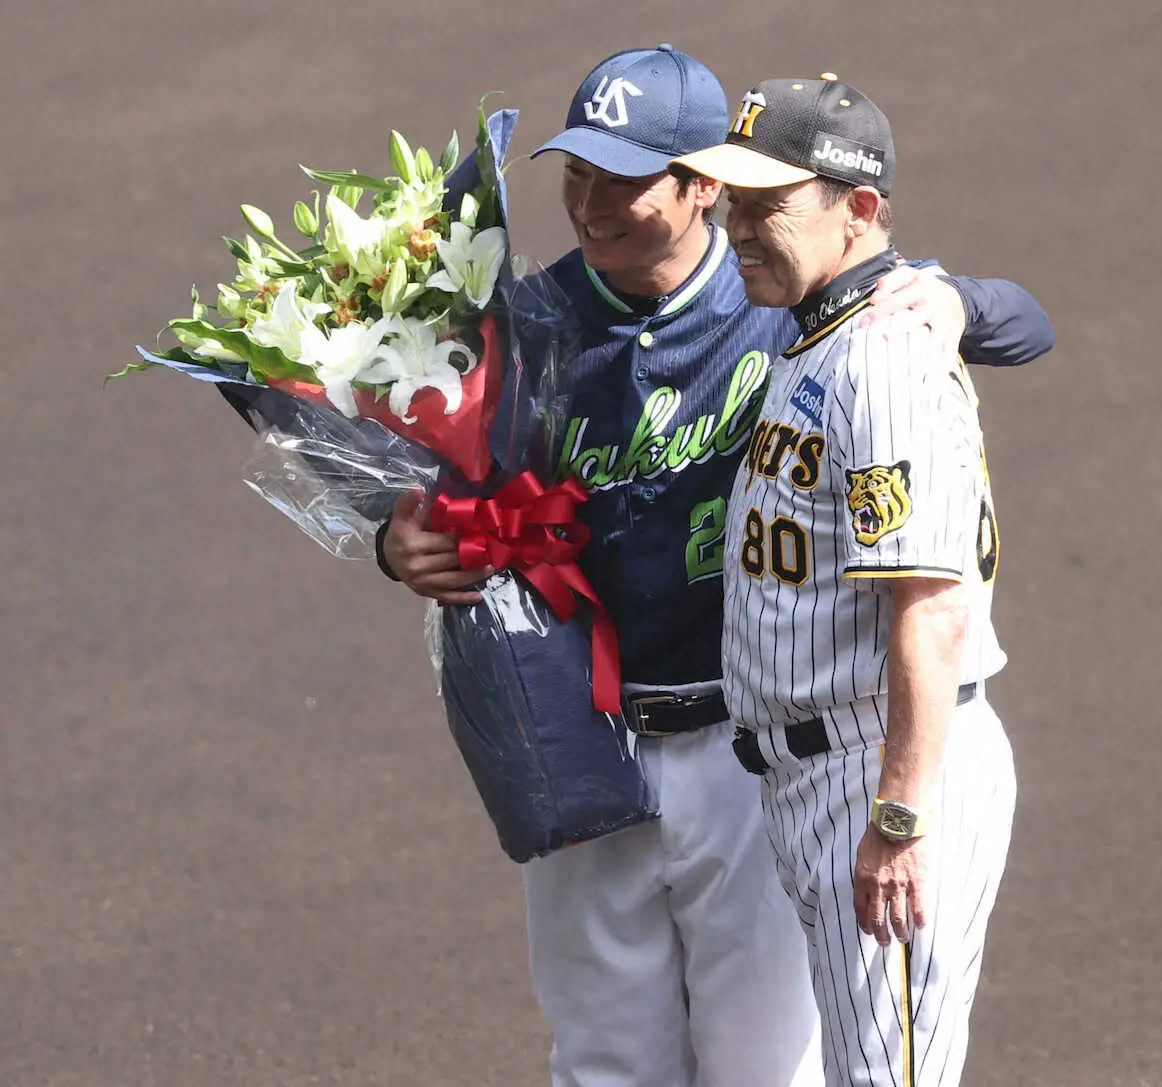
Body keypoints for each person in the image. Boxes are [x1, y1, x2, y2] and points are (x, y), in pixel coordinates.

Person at [380, 48, 1052, 1087]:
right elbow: (441, 482)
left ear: (703, 184)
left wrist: (957, 299)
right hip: (586, 742)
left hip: (752, 751)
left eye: (625, 179)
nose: (592, 205)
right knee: (605, 1063)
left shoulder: (787, 295)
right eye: (576, 174)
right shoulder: (532, 327)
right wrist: (397, 537)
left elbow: (1023, 322)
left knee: (769, 1065)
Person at [673, 73, 1024, 1086]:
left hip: (884, 766)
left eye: (766, 206)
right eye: (731, 203)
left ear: (859, 209)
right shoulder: (817, 338)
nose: (737, 229)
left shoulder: (878, 358)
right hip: (827, 770)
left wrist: (900, 817)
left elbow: (932, 606)